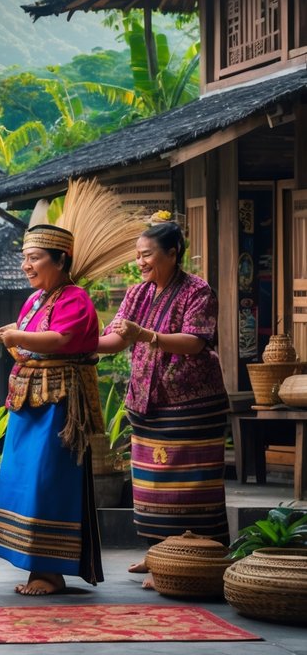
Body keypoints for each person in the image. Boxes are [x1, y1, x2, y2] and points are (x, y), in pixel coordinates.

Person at [0, 180, 141, 595]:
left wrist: (14, 338)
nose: (26, 266)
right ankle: (32, 564)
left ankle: (49, 570)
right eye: (24, 258)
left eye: (33, 258)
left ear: (60, 259)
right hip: (28, 403)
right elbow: (27, 341)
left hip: (60, 408)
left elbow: (61, 341)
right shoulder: (34, 301)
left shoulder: (75, 298)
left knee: (48, 479)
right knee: (20, 478)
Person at [96, 217, 229, 584]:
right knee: (151, 486)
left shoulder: (197, 291)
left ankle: (194, 559)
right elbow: (117, 338)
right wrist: (73, 343)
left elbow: (195, 341)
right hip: (147, 401)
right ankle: (157, 556)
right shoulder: (138, 293)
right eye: (138, 256)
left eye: (147, 255)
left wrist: (147, 334)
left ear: (173, 254)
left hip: (192, 404)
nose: (140, 262)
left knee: (189, 487)